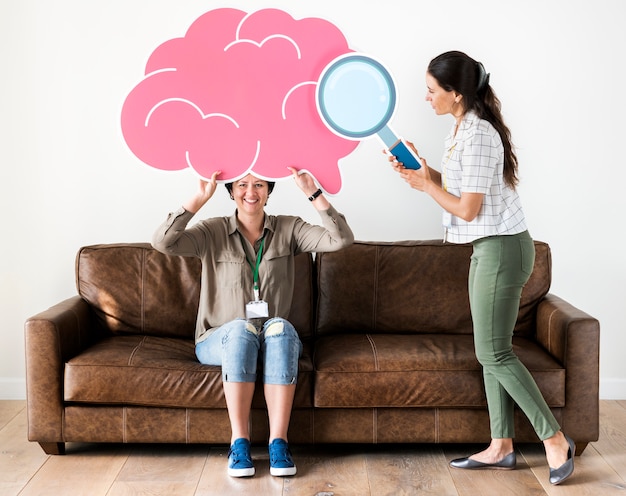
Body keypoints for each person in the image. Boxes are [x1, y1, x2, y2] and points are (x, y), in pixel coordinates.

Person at [388, 51, 575, 485]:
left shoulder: (480, 136)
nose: (426, 97)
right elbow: (462, 187)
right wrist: (421, 170)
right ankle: (500, 445)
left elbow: (467, 209)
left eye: (432, 90)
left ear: (455, 94)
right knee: (490, 352)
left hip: (502, 249)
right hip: (488, 249)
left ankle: (554, 440)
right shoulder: (464, 128)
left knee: (494, 352)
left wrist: (425, 186)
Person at [152, 168, 354, 478]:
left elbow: (340, 240)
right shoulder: (211, 232)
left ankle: (278, 443)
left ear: (269, 190)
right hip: (220, 339)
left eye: (258, 184)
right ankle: (240, 443)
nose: (251, 191)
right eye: (242, 184)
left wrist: (313, 193)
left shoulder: (289, 229)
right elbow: (163, 242)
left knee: (282, 328)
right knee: (239, 330)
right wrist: (198, 198)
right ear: (231, 190)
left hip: (272, 337)